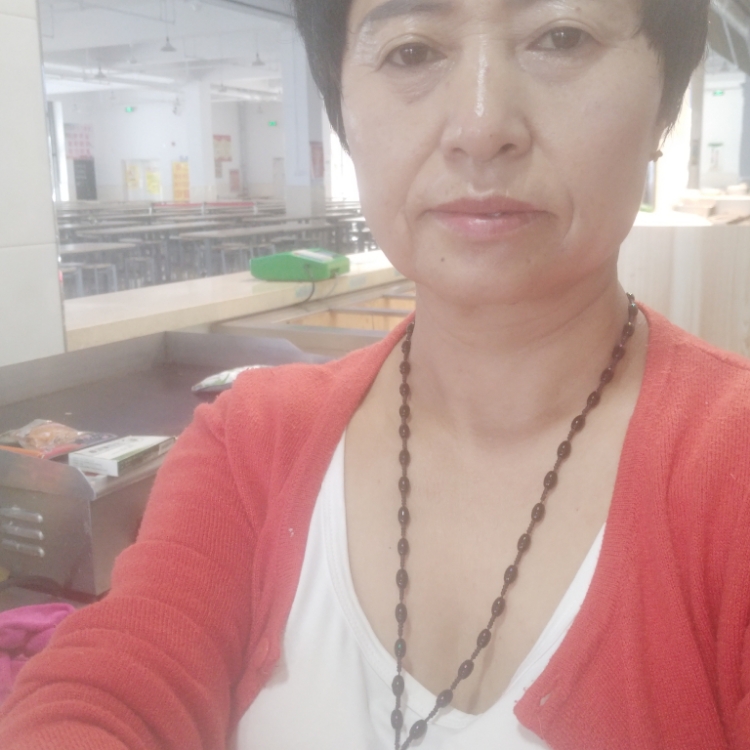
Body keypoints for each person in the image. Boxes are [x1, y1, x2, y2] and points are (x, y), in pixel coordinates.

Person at [2, 0, 749, 748]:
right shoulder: (251, 443)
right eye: (412, 51)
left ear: (665, 105)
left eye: (562, 36)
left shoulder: (731, 468)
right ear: (343, 111)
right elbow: (111, 687)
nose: (481, 126)